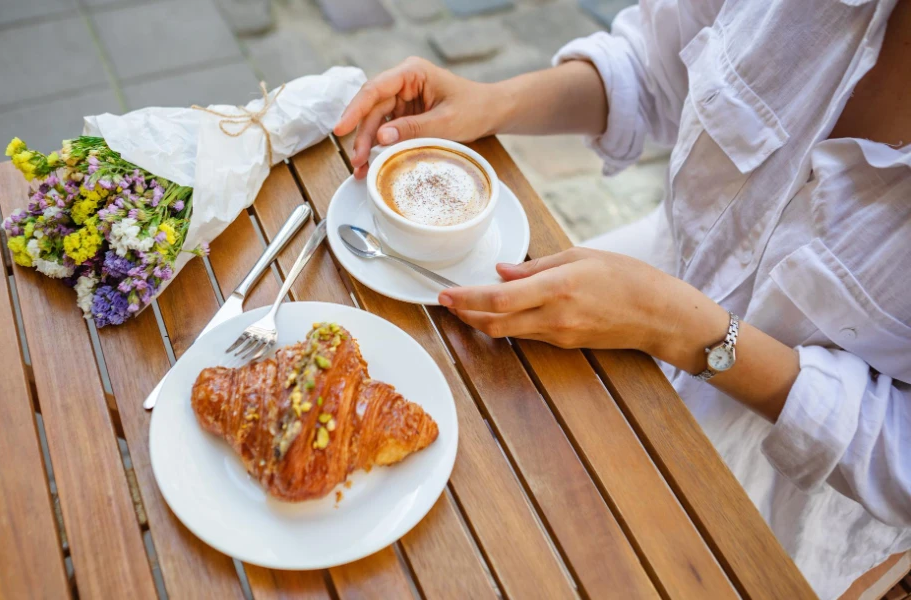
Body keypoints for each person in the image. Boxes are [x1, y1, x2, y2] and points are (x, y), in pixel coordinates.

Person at [333, 0, 911, 597]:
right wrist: (491, 102)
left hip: (770, 500)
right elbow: (653, 68)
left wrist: (675, 326)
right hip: (626, 304)